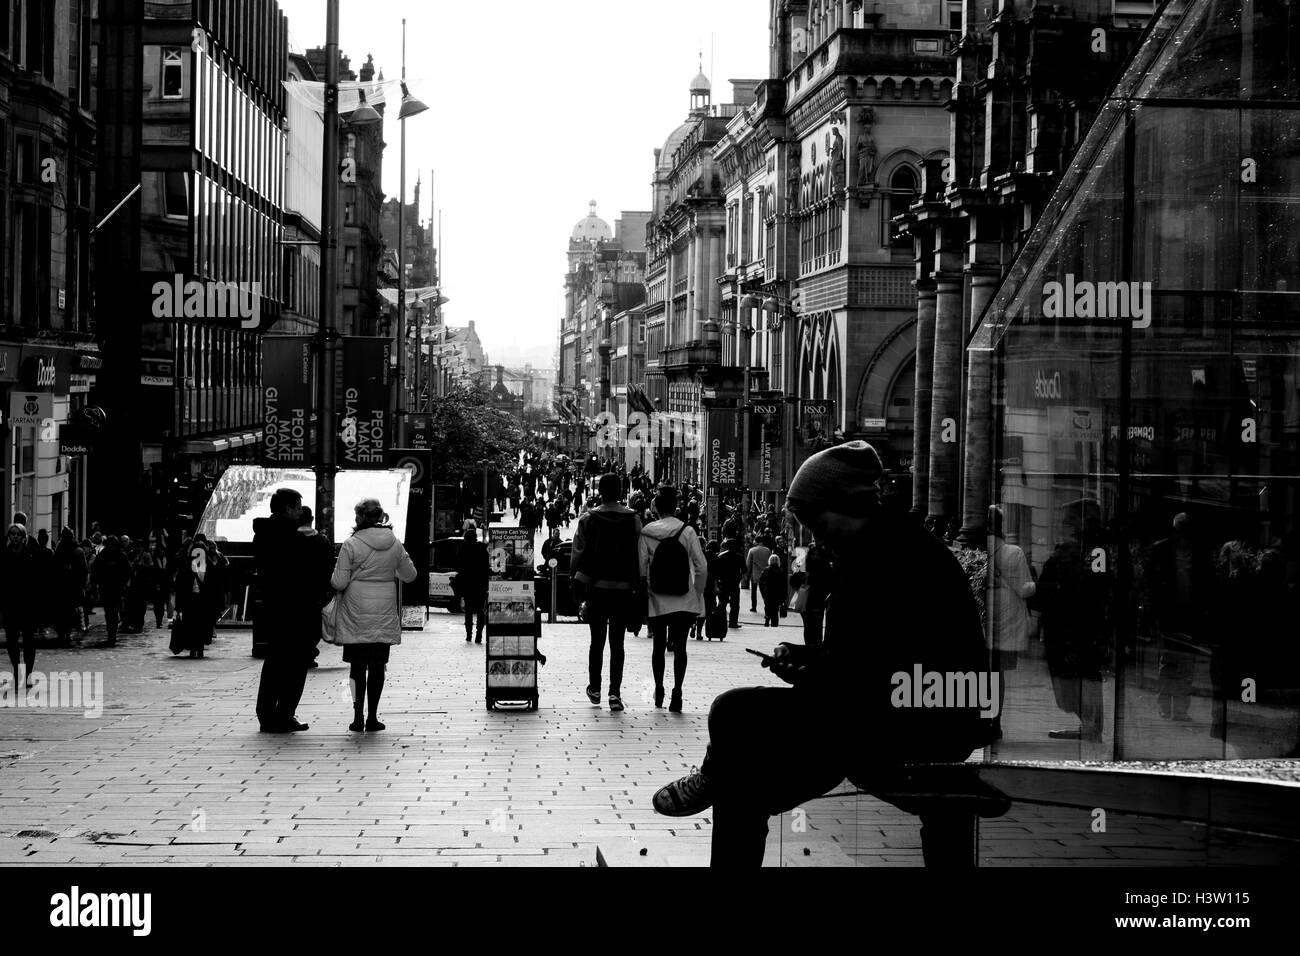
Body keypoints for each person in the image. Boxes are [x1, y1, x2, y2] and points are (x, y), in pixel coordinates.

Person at [651, 441, 994, 866]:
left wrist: (813, 671)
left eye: (816, 521)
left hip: (907, 722)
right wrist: (809, 659)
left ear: (845, 504)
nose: (814, 534)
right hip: (890, 711)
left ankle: (712, 776)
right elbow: (864, 658)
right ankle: (718, 778)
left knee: (732, 711)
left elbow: (869, 671)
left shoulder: (889, 562)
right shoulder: (886, 548)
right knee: (741, 783)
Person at [330, 498, 418, 732]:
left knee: (357, 667)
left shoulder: (351, 544)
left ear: (359, 517)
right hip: (383, 613)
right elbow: (410, 575)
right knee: (378, 666)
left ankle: (357, 717)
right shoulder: (395, 544)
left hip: (355, 614)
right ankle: (373, 717)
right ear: (381, 517)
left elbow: (339, 581)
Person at [253, 488, 330, 733]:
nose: (300, 512)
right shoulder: (294, 538)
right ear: (287, 508)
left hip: (273, 606)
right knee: (296, 662)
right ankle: (285, 713)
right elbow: (307, 573)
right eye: (297, 507)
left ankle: (266, 713)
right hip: (298, 608)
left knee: (275, 659)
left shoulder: (263, 533)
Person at [570, 472, 642, 712]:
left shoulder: (588, 518)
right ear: (621, 491)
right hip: (623, 590)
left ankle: (595, 687)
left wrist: (577, 588)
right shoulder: (634, 519)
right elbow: (640, 555)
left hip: (596, 588)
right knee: (617, 643)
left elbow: (577, 554)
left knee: (597, 641)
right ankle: (615, 693)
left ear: (600, 491)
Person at [640, 485, 708, 712]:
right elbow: (702, 566)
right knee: (680, 648)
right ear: (675, 507)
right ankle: (677, 691)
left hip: (657, 598)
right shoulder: (687, 531)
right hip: (683, 597)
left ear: (656, 508)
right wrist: (696, 593)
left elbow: (642, 568)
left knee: (658, 646)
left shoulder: (647, 532)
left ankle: (659, 688)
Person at [985, 506, 1036, 739]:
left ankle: (980, 718)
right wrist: (1039, 584)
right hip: (1006, 621)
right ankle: (994, 721)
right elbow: (1024, 590)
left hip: (985, 618)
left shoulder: (977, 549)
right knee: (997, 675)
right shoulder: (1013, 553)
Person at [171, 537, 225, 658]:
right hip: (201, 601)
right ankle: (198, 648)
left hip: (194, 601)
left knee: (193, 624)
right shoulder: (207, 565)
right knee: (200, 625)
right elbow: (216, 586)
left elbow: (180, 585)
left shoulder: (189, 565)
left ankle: (195, 648)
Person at [297, 506, 337, 668]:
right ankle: (309, 653)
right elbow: (329, 565)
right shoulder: (322, 540)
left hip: (296, 589)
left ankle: (298, 652)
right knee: (313, 621)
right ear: (312, 519)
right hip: (316, 590)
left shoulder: (291, 539)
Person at [2, 524, 37, 686]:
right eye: (12, 534)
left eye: (17, 534)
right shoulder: (5, 555)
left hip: (28, 604)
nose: (14, 537)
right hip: (11, 604)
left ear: (23, 537)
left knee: (29, 641)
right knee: (11, 641)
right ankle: (17, 671)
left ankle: (28, 673)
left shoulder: (30, 555)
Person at [89, 536, 133, 647]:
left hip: (110, 588)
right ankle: (112, 635)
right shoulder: (118, 555)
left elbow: (95, 571)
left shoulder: (108, 555)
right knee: (111, 613)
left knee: (110, 613)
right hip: (111, 588)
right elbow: (128, 570)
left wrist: (96, 585)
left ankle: (111, 635)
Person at [454, 525, 490, 643]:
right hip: (480, 584)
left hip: (467, 584)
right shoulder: (482, 548)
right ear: (475, 537)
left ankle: (469, 634)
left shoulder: (462, 548)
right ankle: (479, 634)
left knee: (468, 610)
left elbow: (458, 565)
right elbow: (486, 566)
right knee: (480, 610)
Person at [53, 528, 88, 647]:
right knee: (70, 611)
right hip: (72, 587)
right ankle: (67, 633)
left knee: (62, 611)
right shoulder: (78, 551)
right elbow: (84, 571)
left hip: (63, 587)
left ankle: (63, 633)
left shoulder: (59, 550)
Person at [715, 538, 745, 629]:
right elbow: (744, 569)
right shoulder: (739, 556)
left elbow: (717, 570)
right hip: (735, 583)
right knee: (735, 604)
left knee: (722, 603)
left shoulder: (721, 556)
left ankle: (720, 621)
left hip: (723, 583)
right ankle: (733, 622)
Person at [746, 536, 772, 614]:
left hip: (755, 574)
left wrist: (747, 573)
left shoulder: (752, 550)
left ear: (757, 542)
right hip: (766, 574)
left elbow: (748, 564)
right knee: (765, 591)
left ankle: (754, 607)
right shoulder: (767, 550)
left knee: (754, 591)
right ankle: (767, 605)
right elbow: (770, 561)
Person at [758, 554, 786, 627]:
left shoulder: (766, 570)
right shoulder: (781, 570)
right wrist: (783, 596)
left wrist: (763, 592)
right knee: (775, 610)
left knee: (767, 607)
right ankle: (774, 623)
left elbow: (761, 582)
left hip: (768, 593)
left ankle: (767, 619)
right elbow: (783, 584)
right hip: (777, 594)